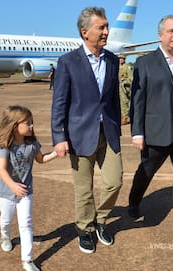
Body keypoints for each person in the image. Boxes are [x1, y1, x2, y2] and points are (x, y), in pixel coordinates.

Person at [51, 6, 122, 254]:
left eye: (106, 26)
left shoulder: (112, 60)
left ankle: (100, 219)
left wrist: (118, 125)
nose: (106, 31)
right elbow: (59, 102)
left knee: (114, 181)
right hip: (79, 135)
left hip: (109, 132)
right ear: (85, 32)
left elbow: (112, 98)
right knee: (84, 189)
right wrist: (59, 137)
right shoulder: (68, 62)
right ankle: (85, 228)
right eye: (100, 27)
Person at [128, 15, 173, 244]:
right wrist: (137, 132)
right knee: (146, 171)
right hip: (156, 132)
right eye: (171, 31)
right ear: (160, 35)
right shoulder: (145, 63)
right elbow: (137, 101)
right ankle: (134, 200)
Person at [0, 105, 57, 271]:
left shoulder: (33, 143)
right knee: (6, 220)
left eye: (32, 122)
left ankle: (27, 260)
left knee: (26, 224)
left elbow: (41, 159)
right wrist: (12, 185)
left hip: (26, 192)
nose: (32, 126)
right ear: (15, 126)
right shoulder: (4, 145)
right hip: (6, 192)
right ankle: (5, 236)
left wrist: (56, 153)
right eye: (28, 123)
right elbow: (1, 170)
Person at [118, 54, 133, 125]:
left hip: (125, 88)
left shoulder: (127, 67)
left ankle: (125, 117)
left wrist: (124, 82)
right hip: (118, 87)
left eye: (122, 58)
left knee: (124, 102)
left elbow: (131, 78)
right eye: (119, 58)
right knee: (119, 102)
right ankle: (121, 116)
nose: (120, 60)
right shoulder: (117, 67)